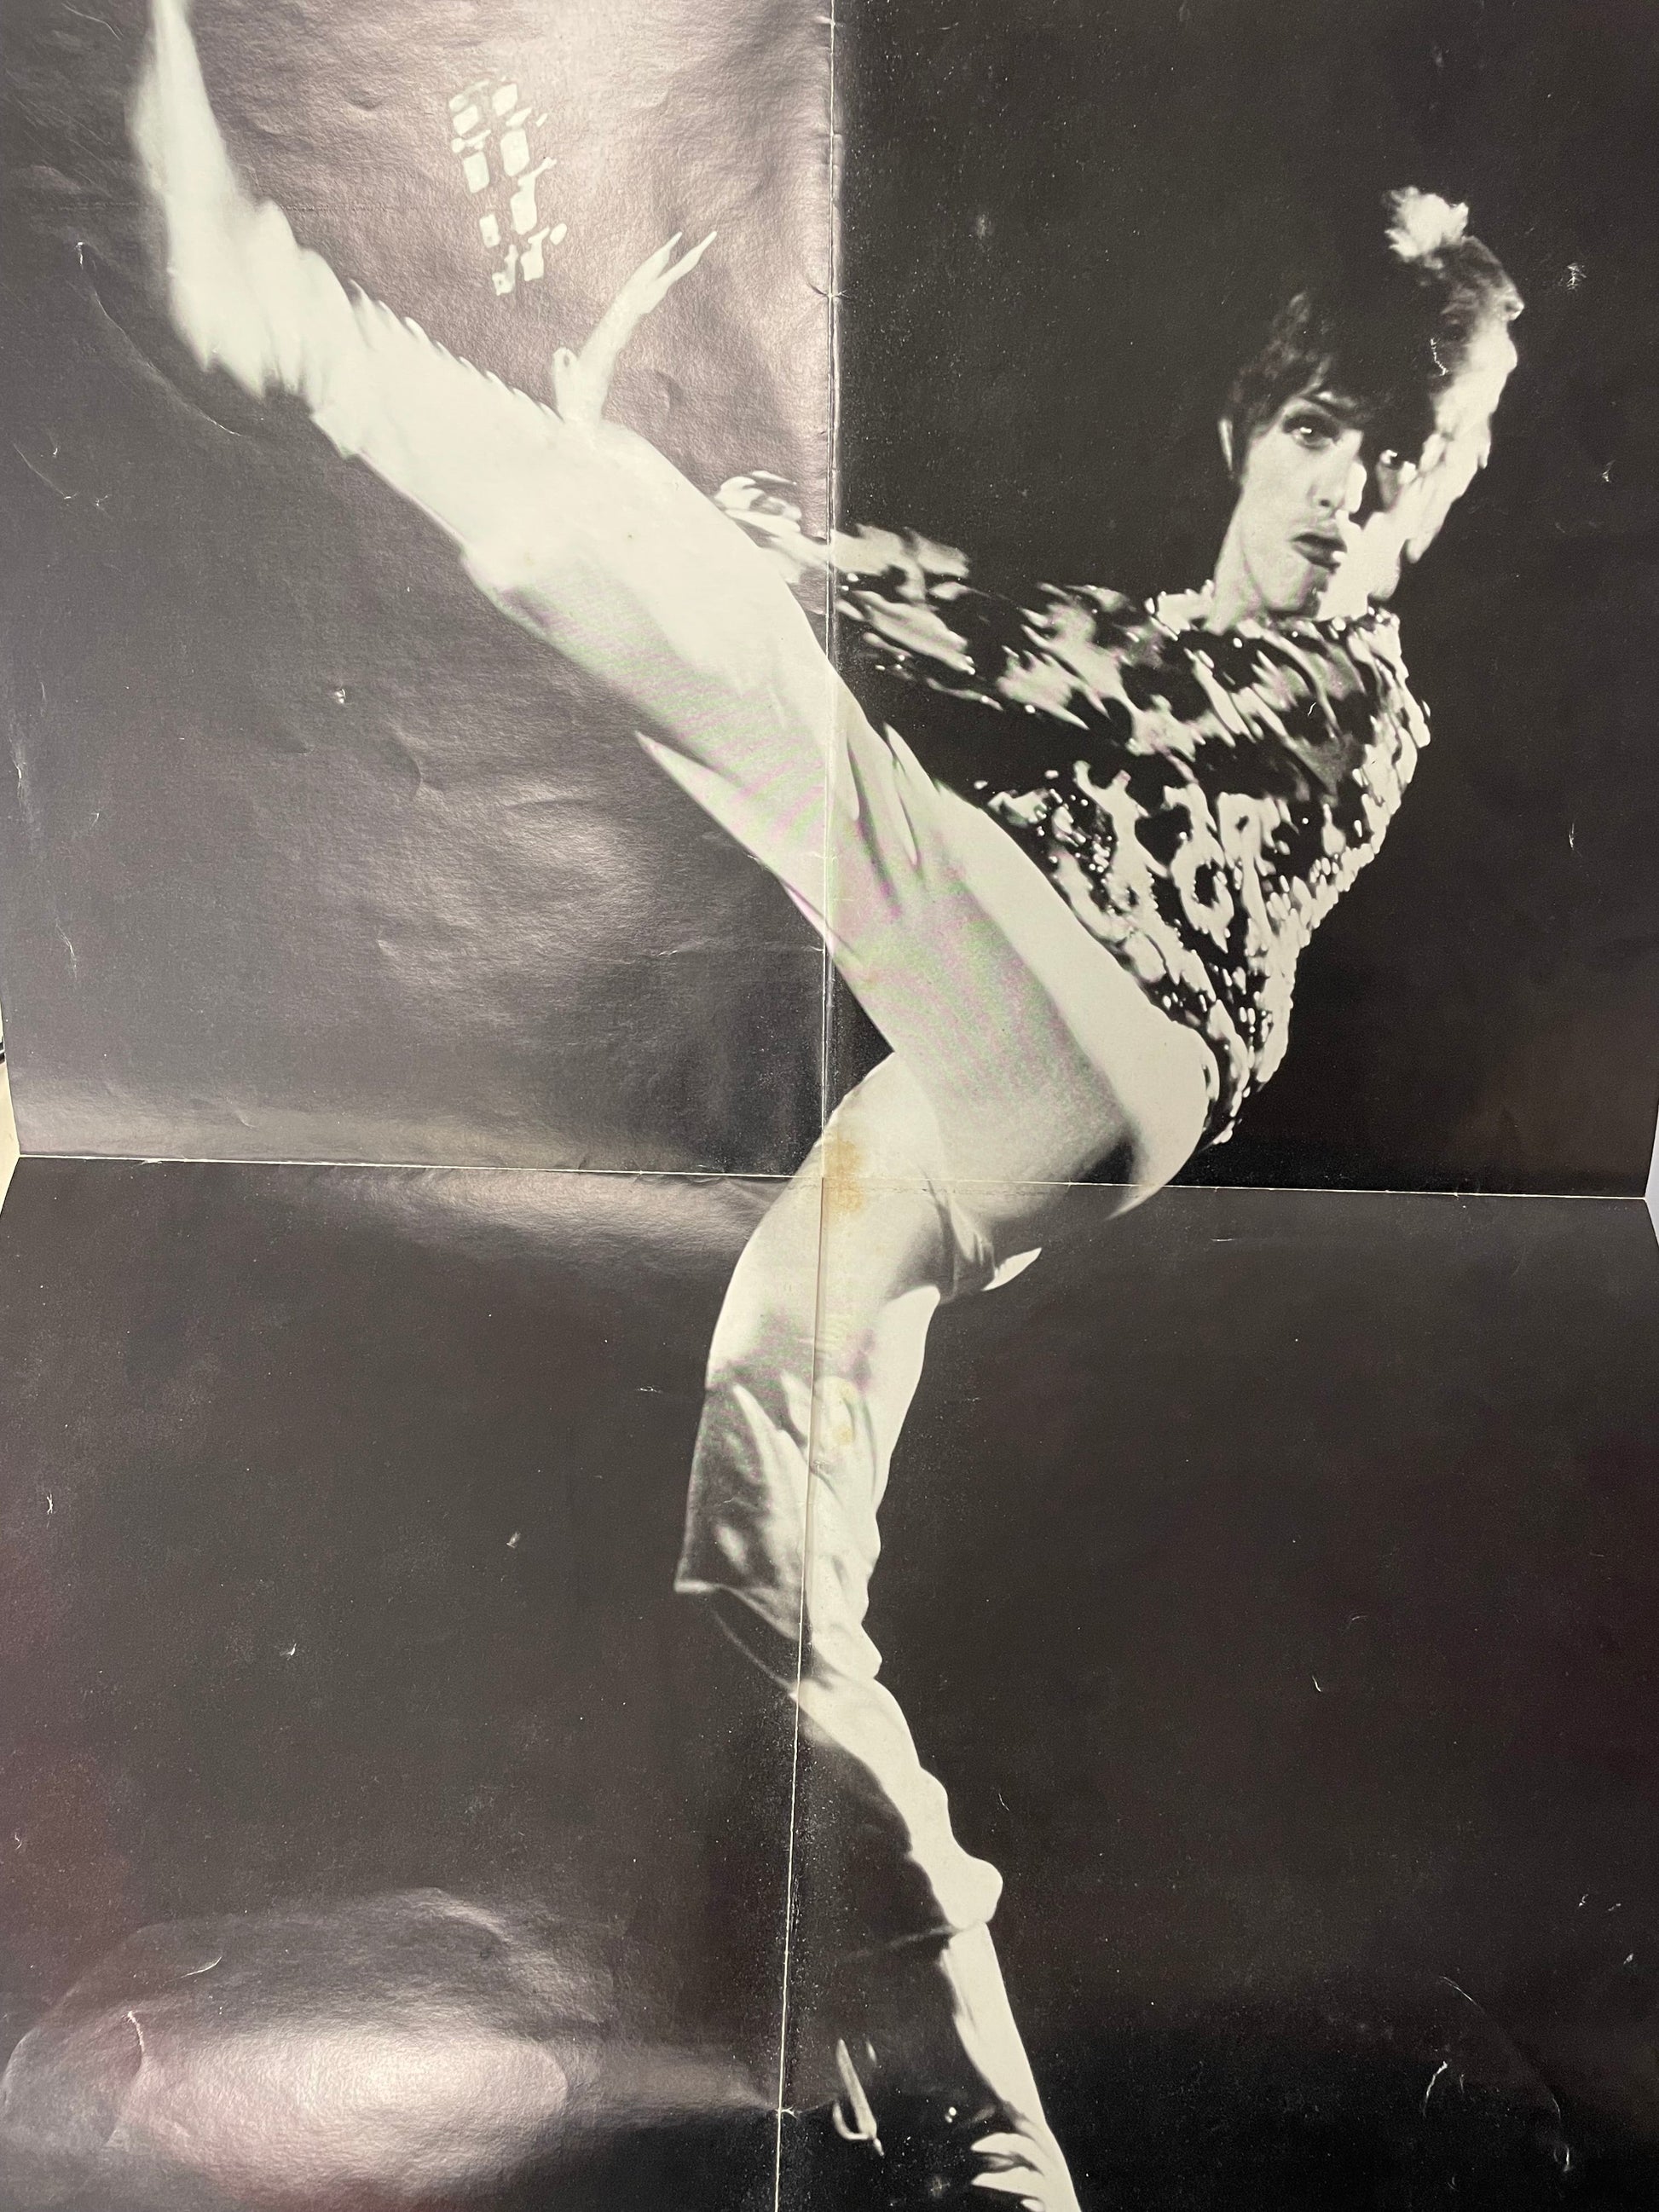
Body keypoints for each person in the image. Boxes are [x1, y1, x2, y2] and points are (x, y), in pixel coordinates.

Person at [130, 4, 1522, 2203]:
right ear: (1254, 431)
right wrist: (731, 521)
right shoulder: (1185, 619)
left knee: (782, 717)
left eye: (1402, 467)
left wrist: (759, 538)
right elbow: (1047, 663)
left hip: (1106, 1051)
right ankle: (986, 2132)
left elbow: (1086, 669)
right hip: (984, 1079)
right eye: (1327, 433)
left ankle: (291, 322)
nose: (1351, 497)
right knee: (758, 1553)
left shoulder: (1341, 695)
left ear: (1436, 507)